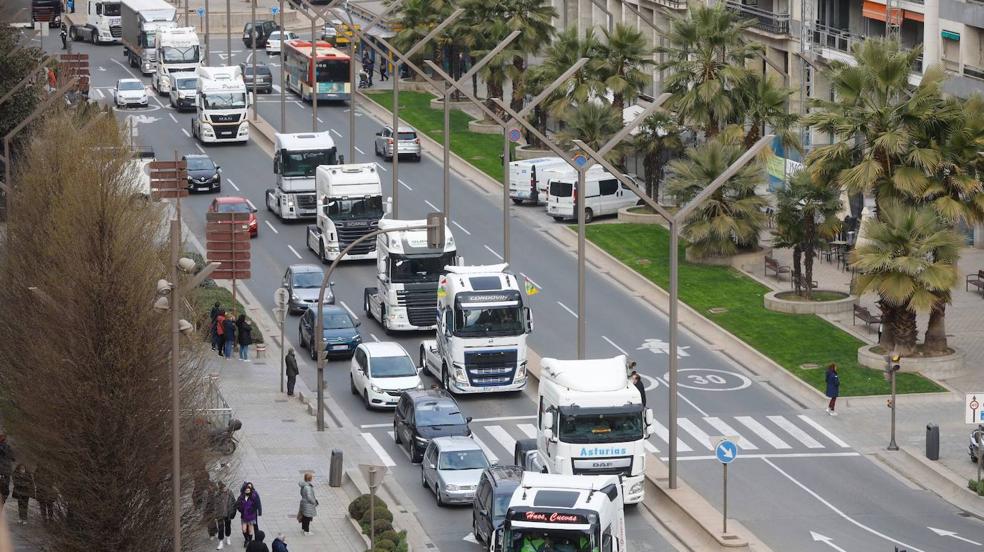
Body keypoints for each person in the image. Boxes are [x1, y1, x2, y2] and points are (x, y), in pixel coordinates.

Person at [213, 481, 236, 549]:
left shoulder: (230, 493)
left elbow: (233, 502)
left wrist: (233, 512)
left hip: (228, 514)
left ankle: (228, 537)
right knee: (220, 528)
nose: (225, 489)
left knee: (228, 526)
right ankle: (221, 542)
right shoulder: (217, 495)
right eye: (223, 488)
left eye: (225, 487)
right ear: (220, 489)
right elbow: (215, 506)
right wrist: (215, 515)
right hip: (220, 515)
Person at [0, 434, 13, 505]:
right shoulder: (7, 447)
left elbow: (13, 457)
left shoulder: (8, 447)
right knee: (5, 490)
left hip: (5, 471)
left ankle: (2, 504)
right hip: (4, 471)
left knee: (5, 491)